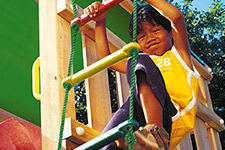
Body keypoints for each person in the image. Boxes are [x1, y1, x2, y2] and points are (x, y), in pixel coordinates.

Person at [84, 0, 200, 149]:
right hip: (142, 119)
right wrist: (100, 21)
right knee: (107, 138)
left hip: (171, 117)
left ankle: (154, 133)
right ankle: (132, 142)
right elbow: (106, 60)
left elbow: (176, 18)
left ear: (170, 32)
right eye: (142, 37)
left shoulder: (179, 55)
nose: (150, 38)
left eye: (156, 31)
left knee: (139, 59)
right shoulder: (142, 63)